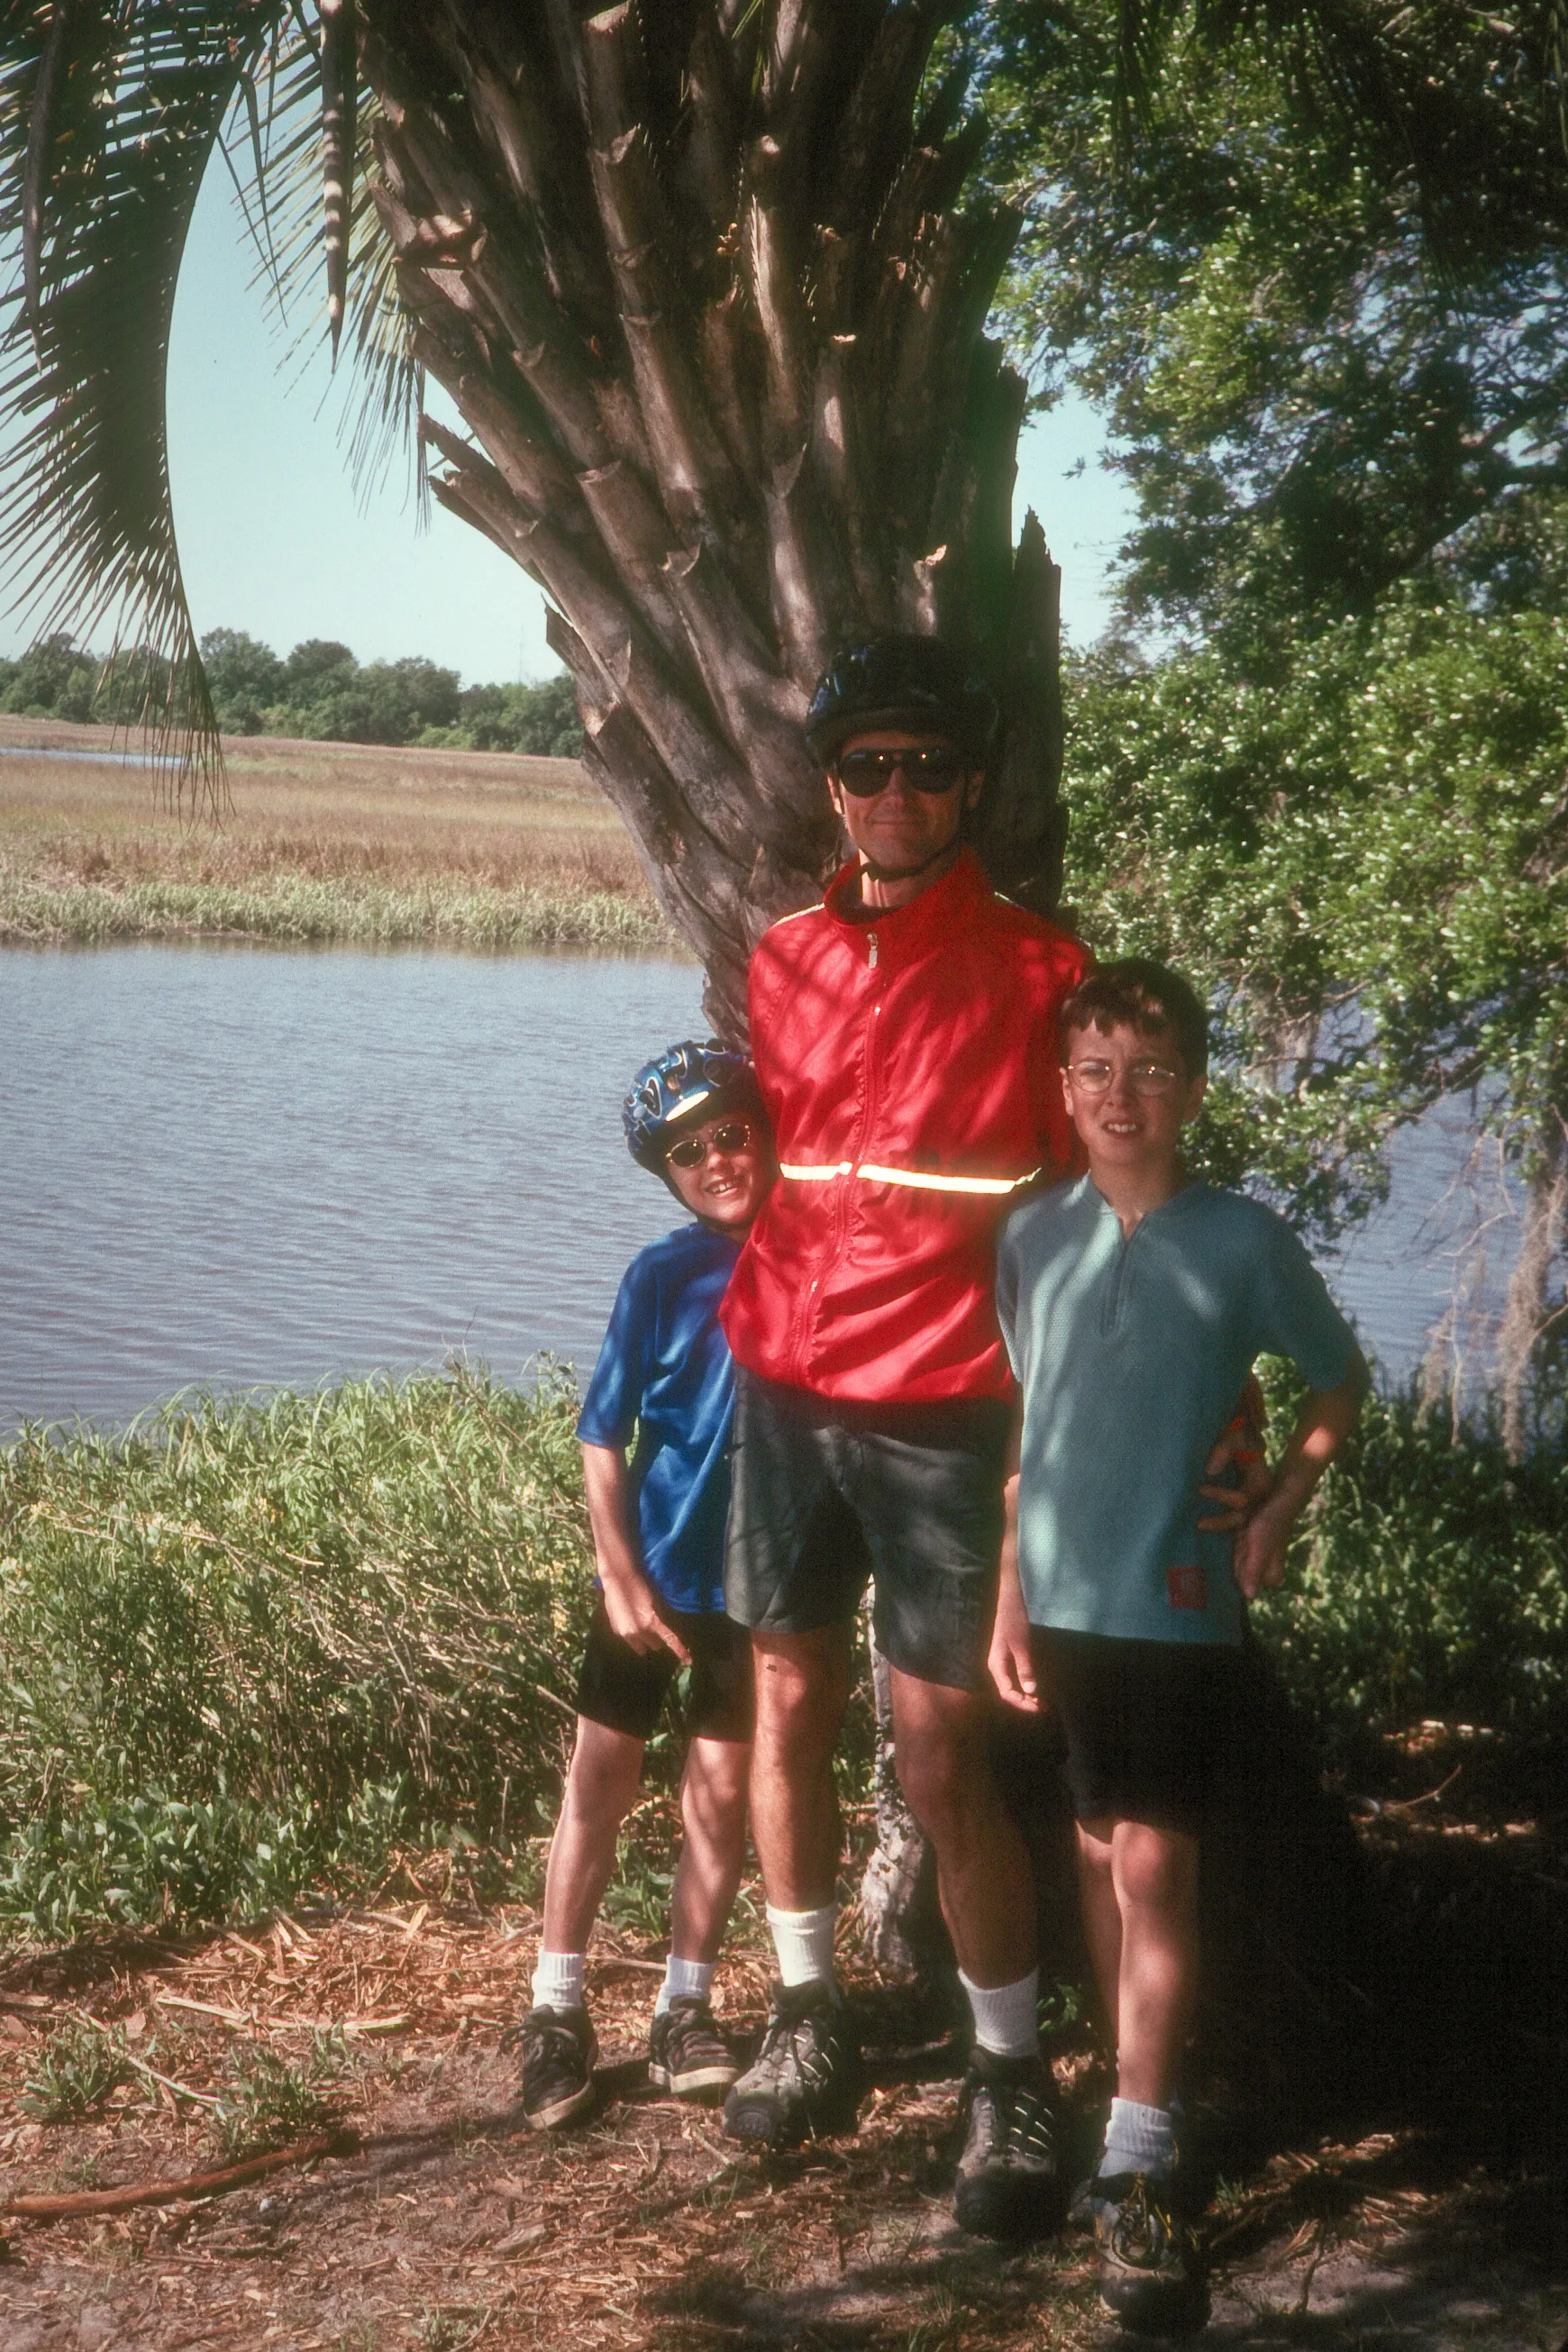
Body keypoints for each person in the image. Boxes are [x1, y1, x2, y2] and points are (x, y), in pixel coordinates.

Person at [716, 634, 1089, 2238]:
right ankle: (808, 2009)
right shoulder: (781, 954)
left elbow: (1090, 1217)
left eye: (923, 766)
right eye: (864, 766)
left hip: (948, 1407)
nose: (893, 792)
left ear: (972, 784)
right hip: (786, 1387)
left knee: (944, 1757)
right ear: (829, 785)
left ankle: (1008, 2074)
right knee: (786, 1702)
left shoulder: (1040, 972)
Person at [989, 959, 1369, 2330]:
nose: (1120, 1095)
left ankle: (1147, 2155)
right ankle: (1126, 2104)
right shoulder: (1030, 1235)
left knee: (1155, 1855)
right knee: (1096, 1848)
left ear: (1195, 1088)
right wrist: (1006, 1602)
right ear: (1064, 1090)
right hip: (1062, 1605)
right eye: (1093, 1070)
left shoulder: (1244, 1239)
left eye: (1149, 1069)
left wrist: (1275, 1503)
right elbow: (1030, 1441)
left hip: (1179, 1598)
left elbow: (1339, 1375)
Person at [519, 1042, 775, 2131]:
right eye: (688, 1152)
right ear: (667, 1173)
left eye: (730, 1133)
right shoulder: (661, 1275)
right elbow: (601, 1435)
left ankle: (685, 2004)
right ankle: (554, 2007)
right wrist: (617, 1575)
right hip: (653, 1578)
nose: (716, 1159)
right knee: (600, 1782)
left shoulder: (815, 1250)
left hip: (755, 1587)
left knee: (718, 1797)